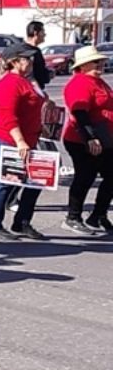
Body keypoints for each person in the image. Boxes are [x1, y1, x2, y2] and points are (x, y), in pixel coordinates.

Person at [0, 42, 46, 241]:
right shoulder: (9, 83)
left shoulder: (25, 80)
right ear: (15, 62)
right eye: (27, 58)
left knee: (36, 181)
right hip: (8, 139)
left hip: (28, 138)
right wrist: (19, 141)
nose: (31, 62)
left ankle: (22, 222)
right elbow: (7, 116)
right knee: (6, 183)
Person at [61, 46, 113, 235]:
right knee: (85, 176)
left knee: (110, 176)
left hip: (105, 138)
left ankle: (98, 215)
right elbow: (79, 112)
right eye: (95, 62)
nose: (100, 65)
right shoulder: (80, 83)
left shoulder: (99, 82)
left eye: (101, 61)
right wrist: (90, 137)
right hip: (81, 138)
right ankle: (73, 217)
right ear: (82, 66)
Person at [25, 21, 50, 90]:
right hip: (32, 92)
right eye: (43, 32)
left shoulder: (17, 49)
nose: (45, 34)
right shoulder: (33, 52)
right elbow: (38, 74)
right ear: (35, 33)